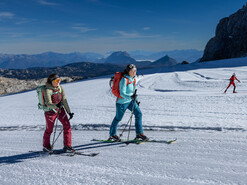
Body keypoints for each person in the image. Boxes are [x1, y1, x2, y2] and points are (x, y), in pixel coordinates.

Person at [109, 64, 148, 141]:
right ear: (128, 71)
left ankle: (139, 134)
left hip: (131, 101)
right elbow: (122, 93)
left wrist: (136, 100)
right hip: (122, 102)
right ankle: (112, 135)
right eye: (133, 70)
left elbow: (134, 92)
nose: (134, 72)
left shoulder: (133, 79)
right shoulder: (124, 79)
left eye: (135, 70)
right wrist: (130, 97)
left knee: (138, 114)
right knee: (118, 118)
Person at [43, 73, 75, 152]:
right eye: (56, 80)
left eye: (59, 80)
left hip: (60, 110)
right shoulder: (47, 90)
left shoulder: (60, 88)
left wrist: (69, 112)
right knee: (49, 130)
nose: (58, 82)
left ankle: (67, 146)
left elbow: (64, 100)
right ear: (51, 81)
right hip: (50, 112)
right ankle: (46, 146)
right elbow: (48, 103)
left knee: (67, 126)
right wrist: (56, 105)